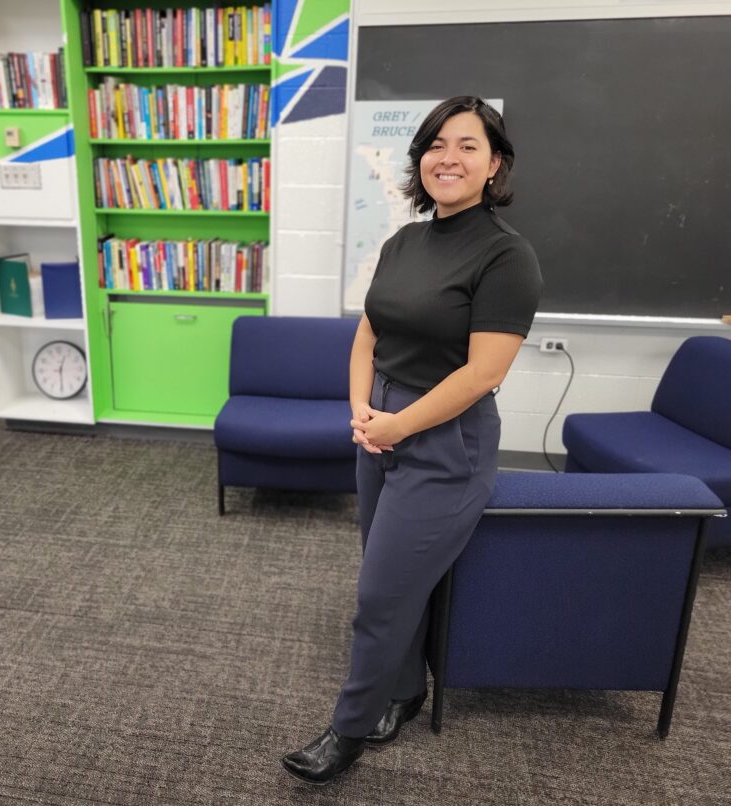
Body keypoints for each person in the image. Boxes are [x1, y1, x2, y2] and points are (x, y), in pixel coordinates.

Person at [281, 96, 544, 786]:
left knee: (377, 596)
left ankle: (348, 730)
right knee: (392, 577)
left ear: (494, 166)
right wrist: (363, 408)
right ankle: (404, 690)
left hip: (444, 440)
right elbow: (369, 335)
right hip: (381, 426)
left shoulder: (507, 257)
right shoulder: (404, 241)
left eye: (466, 145)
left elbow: (484, 372)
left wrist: (399, 423)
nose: (447, 157)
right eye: (435, 144)